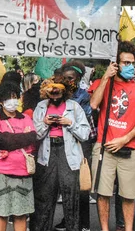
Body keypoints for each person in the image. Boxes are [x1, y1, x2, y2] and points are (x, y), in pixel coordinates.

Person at [89, 41, 135, 231]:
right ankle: (104, 229)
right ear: (115, 64)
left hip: (129, 148)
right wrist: (105, 78)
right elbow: (93, 104)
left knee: (128, 195)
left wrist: (124, 139)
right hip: (104, 147)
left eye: (132, 63)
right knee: (103, 194)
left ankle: (127, 229)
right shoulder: (103, 83)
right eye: (125, 63)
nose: (130, 66)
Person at [31, 77, 90, 231]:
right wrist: (45, 123)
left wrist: (69, 123)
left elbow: (85, 134)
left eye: (58, 93)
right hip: (47, 153)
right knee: (44, 196)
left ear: (65, 91)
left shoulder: (75, 107)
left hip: (68, 152)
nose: (55, 95)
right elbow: (34, 135)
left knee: (71, 196)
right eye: (52, 93)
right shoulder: (41, 106)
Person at [0, 81, 37, 231]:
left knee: (20, 214)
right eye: (8, 98)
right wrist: (23, 137)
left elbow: (33, 139)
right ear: (1, 101)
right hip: (0, 174)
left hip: (23, 173)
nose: (13, 101)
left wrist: (7, 139)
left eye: (15, 97)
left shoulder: (26, 118)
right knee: (0, 214)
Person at [54, 61, 96, 231]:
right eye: (64, 78)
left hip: (81, 142)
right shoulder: (58, 93)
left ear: (78, 79)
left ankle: (83, 223)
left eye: (70, 78)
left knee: (81, 184)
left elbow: (82, 119)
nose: (67, 81)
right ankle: (69, 219)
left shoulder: (83, 96)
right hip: (63, 143)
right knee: (67, 184)